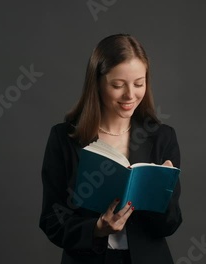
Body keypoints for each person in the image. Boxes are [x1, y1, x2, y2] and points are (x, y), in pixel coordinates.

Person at [39, 33, 182, 264]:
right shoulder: (63, 138)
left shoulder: (162, 138)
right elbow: (52, 220)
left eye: (139, 83)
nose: (130, 95)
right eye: (117, 85)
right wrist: (96, 228)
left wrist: (161, 194)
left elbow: (171, 224)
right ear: (97, 82)